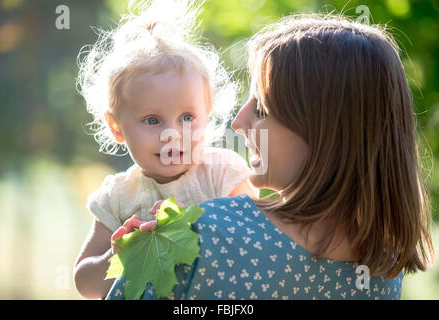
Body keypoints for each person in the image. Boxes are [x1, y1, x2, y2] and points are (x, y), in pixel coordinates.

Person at [106, 13, 434, 300]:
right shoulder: (383, 272)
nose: (239, 122)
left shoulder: (199, 232)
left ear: (324, 133)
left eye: (261, 109)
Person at [73, 0, 256, 300]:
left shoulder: (222, 174)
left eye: (187, 117)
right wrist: (117, 256)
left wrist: (203, 226)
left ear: (207, 114)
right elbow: (84, 281)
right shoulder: (118, 197)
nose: (172, 135)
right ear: (116, 127)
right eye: (152, 120)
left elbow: (260, 242)